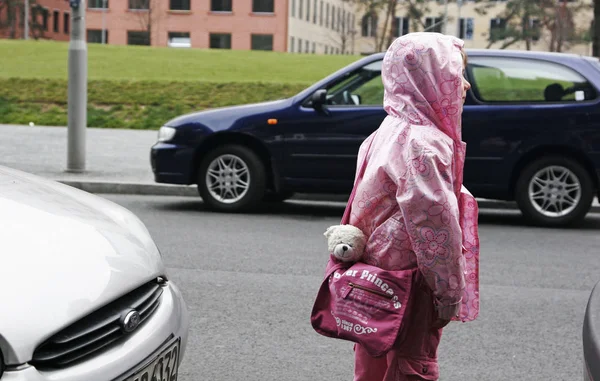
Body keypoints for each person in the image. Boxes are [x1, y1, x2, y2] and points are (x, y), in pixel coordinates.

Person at [348, 33, 481, 380]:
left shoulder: (388, 129)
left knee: (374, 358)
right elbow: (434, 225)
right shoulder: (425, 145)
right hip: (412, 284)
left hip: (375, 278)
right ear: (429, 79)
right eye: (457, 74)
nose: (465, 85)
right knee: (412, 365)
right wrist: (448, 291)